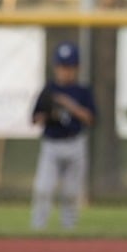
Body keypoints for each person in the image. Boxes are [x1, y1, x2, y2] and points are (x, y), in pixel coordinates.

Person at [30, 41, 96, 231]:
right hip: (51, 144)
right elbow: (35, 119)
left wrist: (69, 105)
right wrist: (48, 114)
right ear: (55, 67)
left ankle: (69, 230)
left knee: (71, 192)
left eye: (69, 67)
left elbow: (91, 119)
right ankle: (38, 228)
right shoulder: (48, 90)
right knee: (43, 189)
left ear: (77, 68)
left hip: (75, 143)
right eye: (62, 67)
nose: (65, 71)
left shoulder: (82, 92)